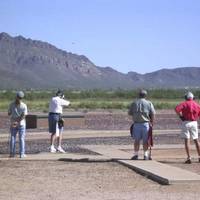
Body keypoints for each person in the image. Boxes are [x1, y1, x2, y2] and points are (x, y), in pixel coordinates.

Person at [128, 89, 156, 160]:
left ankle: (136, 154)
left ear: (139, 95)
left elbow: (130, 113)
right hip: (145, 124)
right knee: (145, 140)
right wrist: (152, 122)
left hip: (136, 124)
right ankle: (145, 155)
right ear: (145, 95)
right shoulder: (149, 103)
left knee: (136, 140)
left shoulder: (134, 103)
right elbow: (152, 113)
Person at [175, 91, 200, 164]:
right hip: (194, 122)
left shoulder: (184, 103)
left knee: (187, 140)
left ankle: (189, 157)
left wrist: (181, 116)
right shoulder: (197, 104)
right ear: (193, 98)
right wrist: (196, 117)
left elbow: (176, 109)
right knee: (196, 140)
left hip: (186, 122)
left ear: (186, 97)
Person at [8, 91, 28, 158]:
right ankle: (22, 154)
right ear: (22, 98)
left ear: (16, 96)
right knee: (21, 138)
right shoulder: (24, 105)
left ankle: (12, 154)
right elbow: (24, 116)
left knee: (13, 138)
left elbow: (9, 113)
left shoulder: (11, 104)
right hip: (21, 123)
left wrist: (14, 118)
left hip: (13, 123)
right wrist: (18, 121)